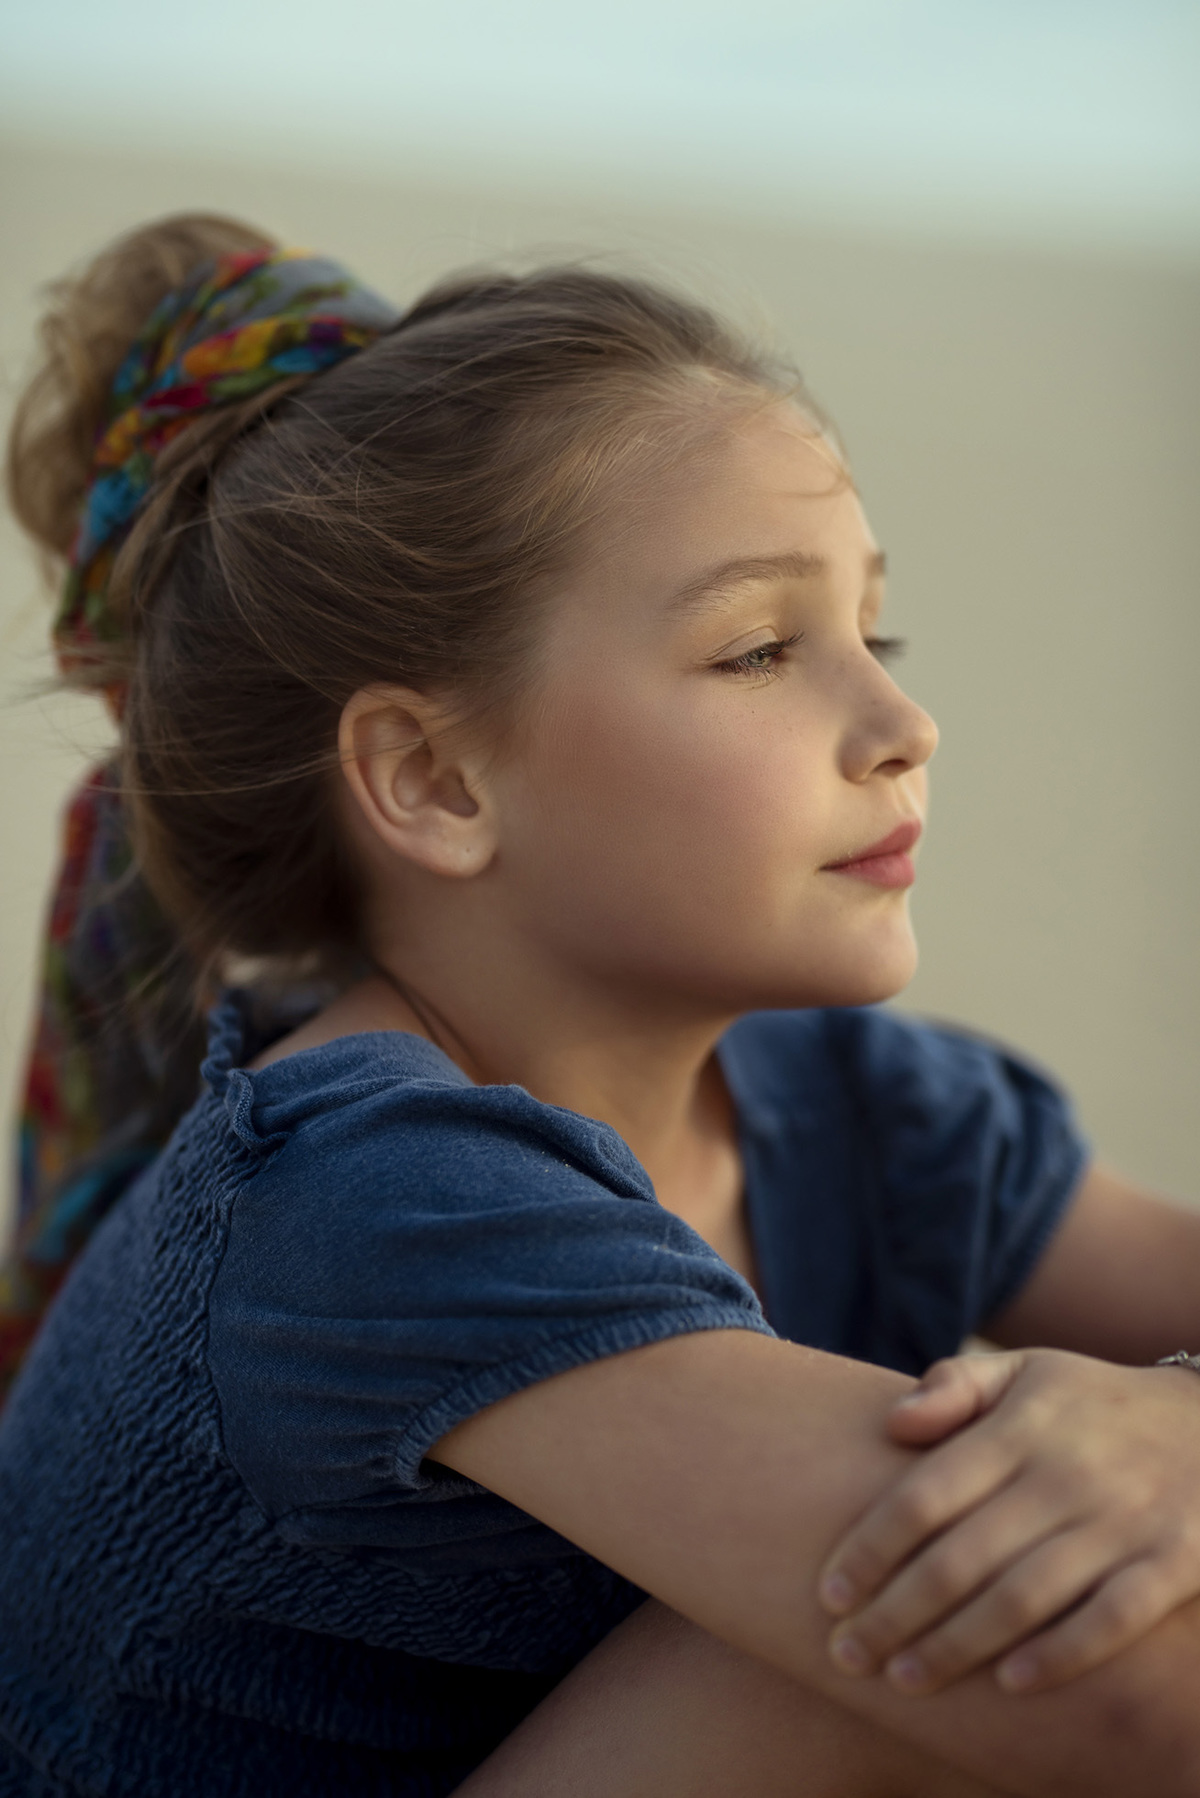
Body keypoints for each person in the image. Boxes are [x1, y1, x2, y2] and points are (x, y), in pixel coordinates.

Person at [2, 213, 1200, 1798]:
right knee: (904, 1618)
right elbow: (1144, 1699)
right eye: (763, 645)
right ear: (432, 778)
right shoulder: (363, 1199)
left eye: (873, 629)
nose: (903, 720)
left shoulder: (857, 1105)